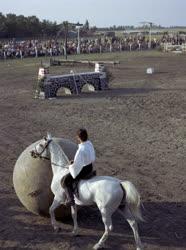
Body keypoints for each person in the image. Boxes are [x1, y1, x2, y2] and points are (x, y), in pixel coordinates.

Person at [63, 128, 96, 206]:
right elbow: (91, 157)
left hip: (83, 170)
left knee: (65, 181)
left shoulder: (80, 150)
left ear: (78, 137)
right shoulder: (90, 144)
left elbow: (77, 165)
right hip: (90, 167)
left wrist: (71, 165)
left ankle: (70, 200)